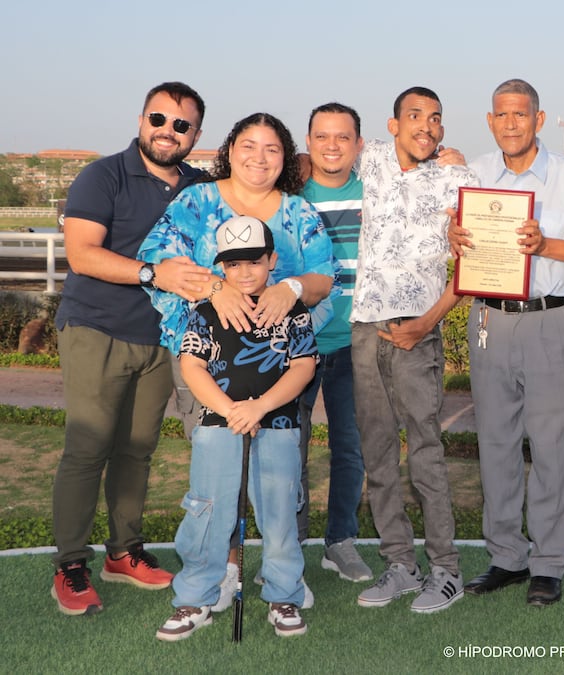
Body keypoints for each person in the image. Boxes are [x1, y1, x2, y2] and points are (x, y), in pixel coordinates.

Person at [138, 112, 338, 610]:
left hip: (282, 368)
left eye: (272, 148)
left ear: (285, 157)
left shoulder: (298, 211)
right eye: (249, 145)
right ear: (231, 150)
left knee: (280, 474)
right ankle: (222, 570)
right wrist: (215, 287)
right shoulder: (196, 201)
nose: (260, 157)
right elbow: (158, 261)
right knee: (217, 474)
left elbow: (324, 277)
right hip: (207, 363)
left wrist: (292, 287)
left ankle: (282, 576)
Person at [51, 81, 212, 615]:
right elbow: (82, 254)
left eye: (181, 124)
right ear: (142, 120)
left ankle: (123, 552)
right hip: (97, 329)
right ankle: (71, 564)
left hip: (160, 338)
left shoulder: (199, 186)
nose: (167, 131)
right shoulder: (103, 175)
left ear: (195, 135)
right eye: (158, 119)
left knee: (138, 450)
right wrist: (154, 273)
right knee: (88, 448)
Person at [449, 78, 564, 607]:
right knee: (495, 443)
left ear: (539, 120)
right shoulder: (474, 175)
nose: (511, 123)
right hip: (490, 319)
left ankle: (548, 562)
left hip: (550, 320)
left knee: (552, 447)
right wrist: (452, 236)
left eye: (521, 114)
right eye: (502, 114)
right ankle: (506, 556)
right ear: (490, 120)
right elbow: (451, 236)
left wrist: (547, 244)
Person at [155, 215, 318, 641]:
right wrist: (231, 410)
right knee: (207, 511)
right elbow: (192, 365)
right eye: (233, 264)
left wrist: (260, 406)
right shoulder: (205, 311)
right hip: (218, 424)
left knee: (280, 511)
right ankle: (196, 597)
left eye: (254, 262)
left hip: (277, 423)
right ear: (222, 267)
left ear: (272, 260)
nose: (244, 272)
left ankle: (284, 593)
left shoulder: (292, 310)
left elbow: (303, 366)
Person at [351, 87, 477, 614]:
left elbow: (475, 264)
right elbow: (319, 153)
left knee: (425, 452)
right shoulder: (369, 158)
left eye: (436, 118)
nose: (427, 126)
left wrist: (425, 324)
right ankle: (400, 564)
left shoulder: (457, 178)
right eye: (416, 116)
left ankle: (446, 571)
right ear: (393, 124)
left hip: (417, 332)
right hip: (365, 329)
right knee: (378, 453)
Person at [295, 102, 372, 583]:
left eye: (342, 136)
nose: (332, 145)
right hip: (295, 344)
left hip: (354, 342)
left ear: (358, 144)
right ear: (308, 141)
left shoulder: (374, 196)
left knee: (350, 449)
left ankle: (340, 541)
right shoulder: (289, 199)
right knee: (289, 451)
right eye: (322, 136)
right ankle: (289, 546)